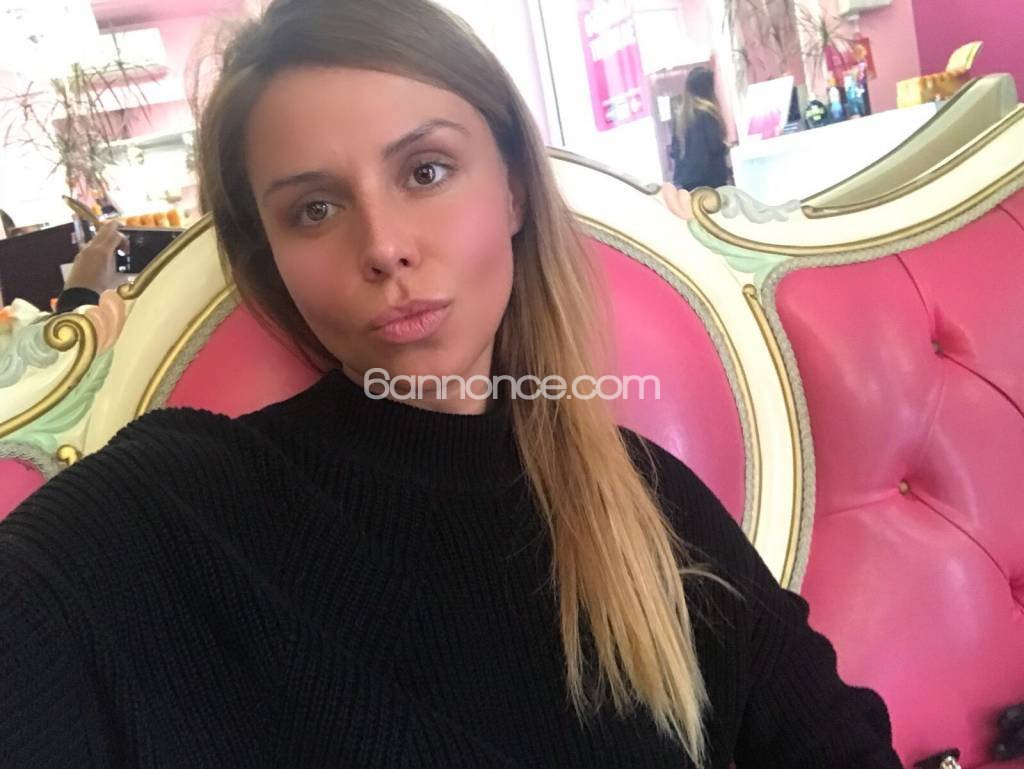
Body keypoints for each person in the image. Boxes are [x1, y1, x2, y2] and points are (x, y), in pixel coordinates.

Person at [0, 1, 901, 767]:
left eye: (425, 171)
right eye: (315, 208)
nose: (384, 245)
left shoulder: (644, 504)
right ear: (269, 255)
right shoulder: (174, 510)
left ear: (513, 191)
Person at [671, 66, 732, 191]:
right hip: (711, 179)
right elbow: (714, 146)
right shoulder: (707, 113)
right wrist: (726, 147)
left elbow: (675, 151)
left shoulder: (682, 118)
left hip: (689, 182)